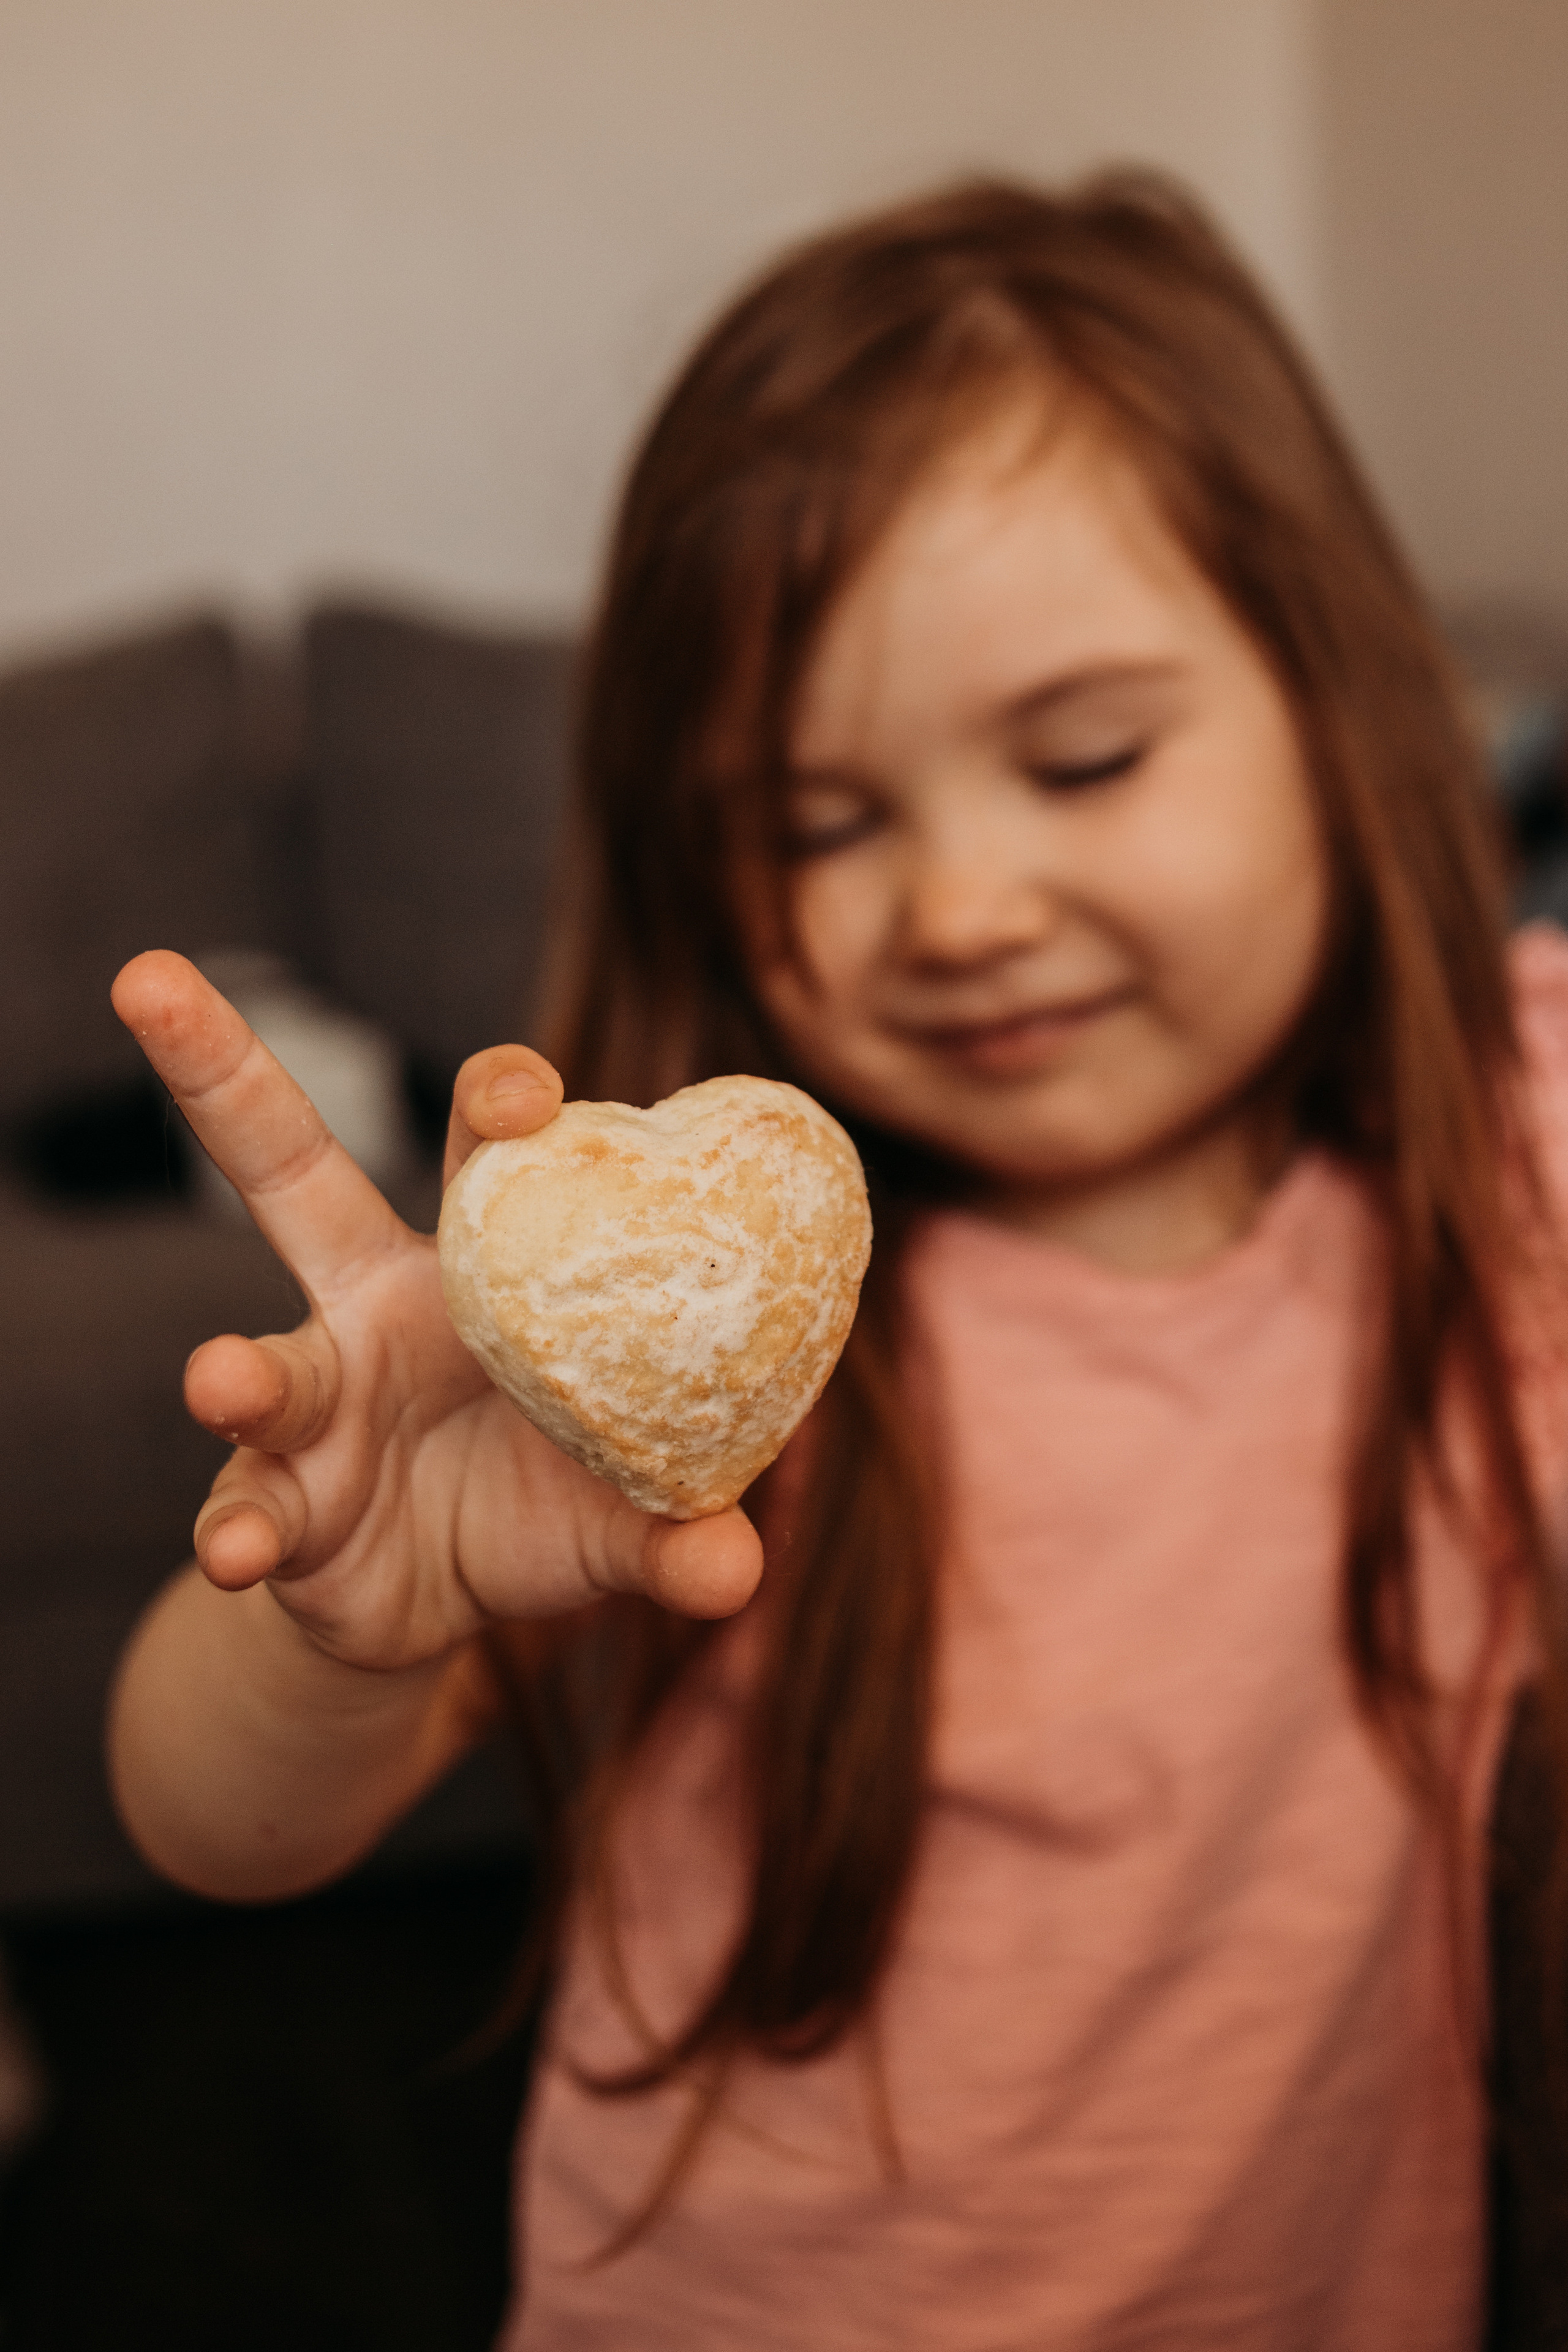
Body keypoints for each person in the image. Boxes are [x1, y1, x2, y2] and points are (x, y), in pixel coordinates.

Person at [107, 175, 1568, 2349]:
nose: (961, 906)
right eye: (816, 821)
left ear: (1343, 710)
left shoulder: (1506, 1168)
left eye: (1084, 757)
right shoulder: (709, 1358)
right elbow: (208, 1828)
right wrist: (334, 1628)